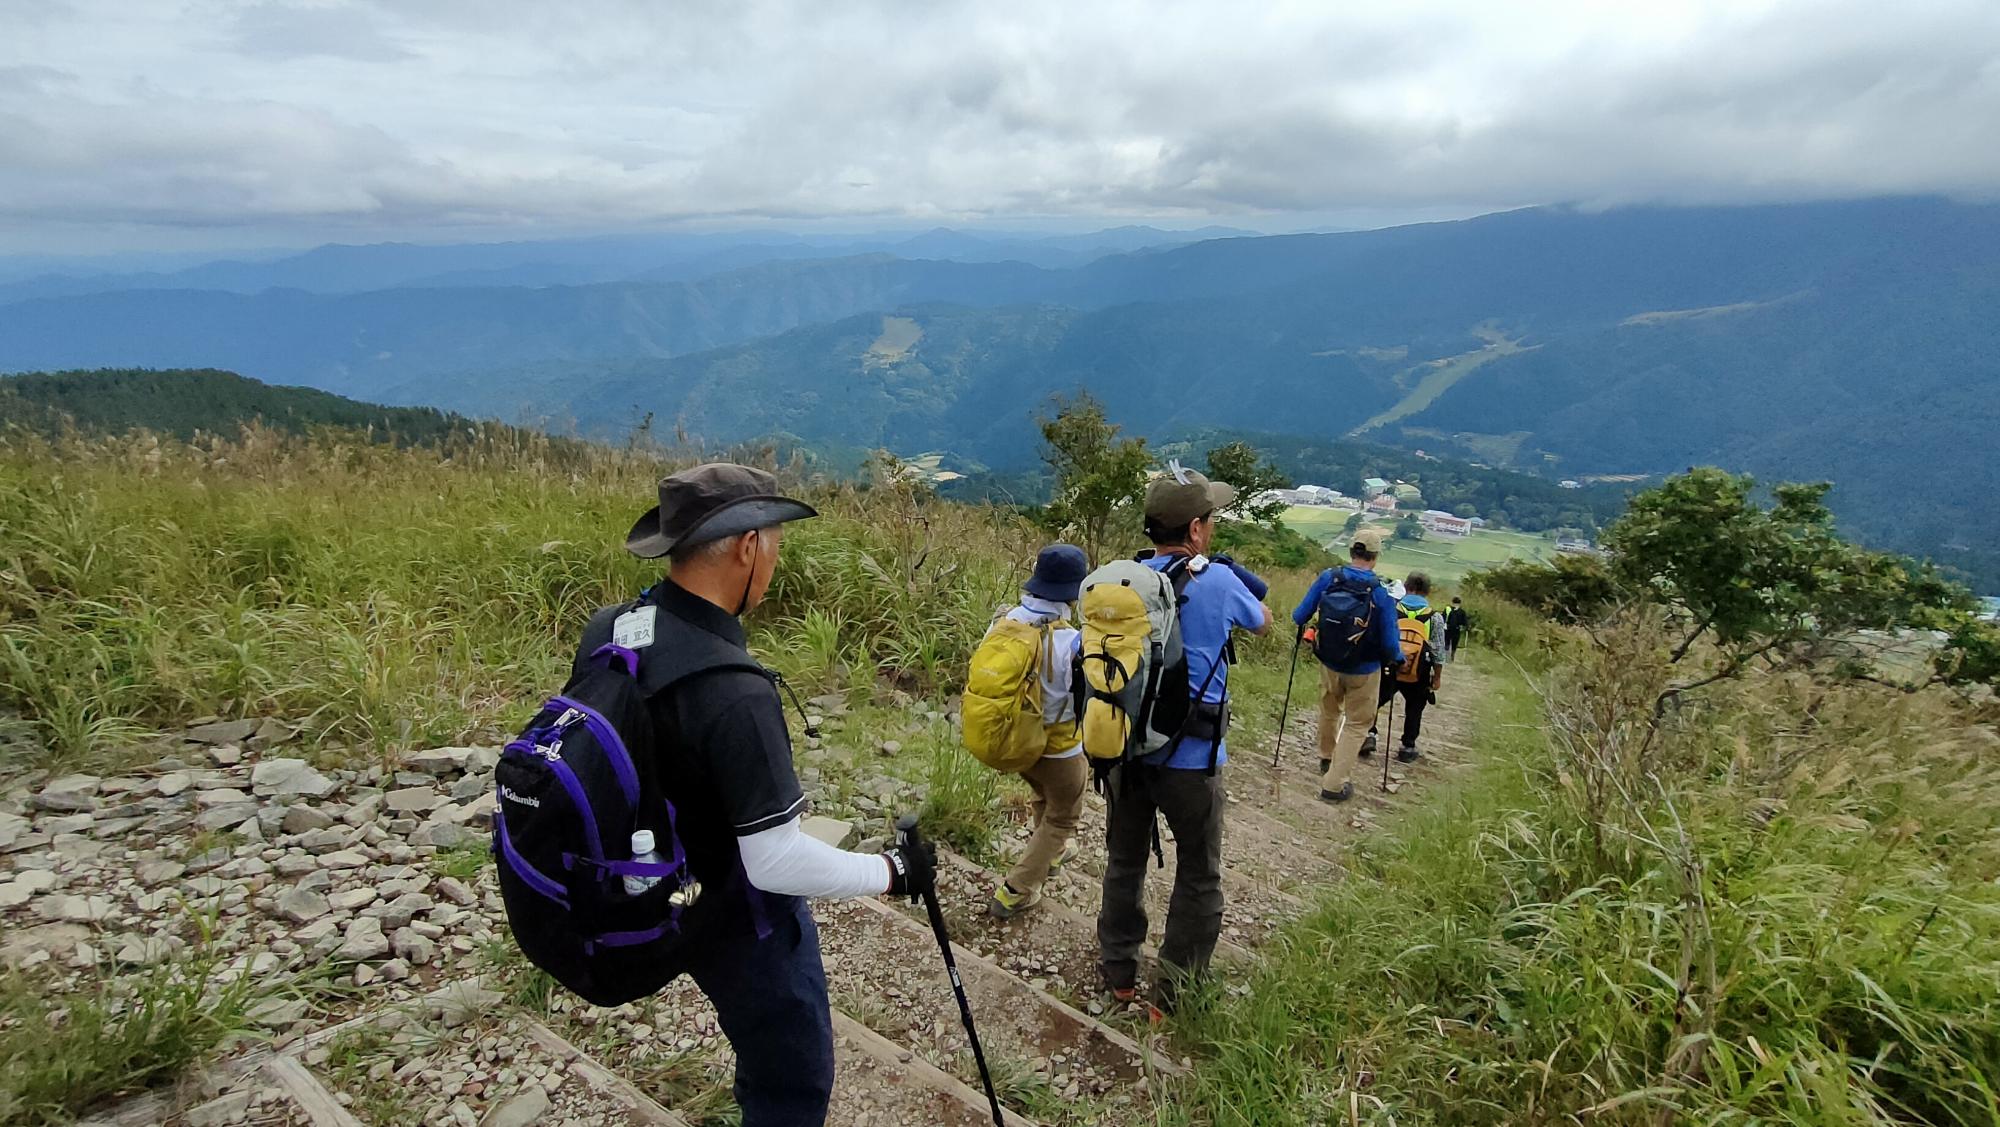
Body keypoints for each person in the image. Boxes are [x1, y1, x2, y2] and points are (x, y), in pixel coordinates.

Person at [596, 463, 936, 1126]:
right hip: (731, 914)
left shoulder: (616, 625)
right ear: (749, 547)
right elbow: (775, 861)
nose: (775, 558)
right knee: (793, 1078)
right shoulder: (735, 693)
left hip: (663, 887)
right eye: (775, 542)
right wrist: (890, 871)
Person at [1098, 469, 1272, 1013]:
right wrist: (1224, 573)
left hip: (1125, 753)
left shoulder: (1117, 581)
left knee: (1125, 861)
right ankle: (1171, 994)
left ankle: (1119, 973)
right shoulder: (1218, 583)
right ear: (1196, 530)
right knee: (1198, 873)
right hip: (1193, 763)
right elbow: (1264, 621)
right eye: (1211, 520)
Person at [989, 543, 1091, 920]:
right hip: (1060, 749)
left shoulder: (1005, 622)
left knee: (1043, 797)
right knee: (1064, 816)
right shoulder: (1072, 640)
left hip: (1016, 741)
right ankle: (1016, 890)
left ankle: (1052, 852)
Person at [1290, 529, 1402, 803]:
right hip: (1364, 669)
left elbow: (1299, 615)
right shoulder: (1381, 591)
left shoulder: (1330, 578)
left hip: (1329, 661)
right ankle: (1334, 784)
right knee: (1357, 723)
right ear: (1375, 557)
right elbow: (1389, 642)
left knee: (1329, 710)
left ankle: (1327, 757)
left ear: (1352, 551)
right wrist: (1397, 659)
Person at [1364, 571, 1443, 762]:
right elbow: (1438, 653)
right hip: (1419, 671)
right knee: (1415, 707)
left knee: (1376, 699)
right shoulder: (1434, 617)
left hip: (1390, 665)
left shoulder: (1392, 608)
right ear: (1427, 591)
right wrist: (1437, 677)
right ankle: (1407, 746)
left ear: (1406, 588)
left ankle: (1369, 734)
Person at [1441, 596, 1468, 662]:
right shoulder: (1461, 612)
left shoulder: (1449, 610)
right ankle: (1449, 656)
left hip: (1451, 629)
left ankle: (1449, 656)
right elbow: (1465, 622)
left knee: (1450, 643)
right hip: (1453, 629)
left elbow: (1443, 617)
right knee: (1451, 643)